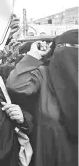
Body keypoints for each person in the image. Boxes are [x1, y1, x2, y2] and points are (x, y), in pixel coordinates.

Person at [6, 29, 78, 166]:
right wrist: (34, 56)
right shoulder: (44, 74)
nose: (69, 52)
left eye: (75, 47)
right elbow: (16, 84)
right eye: (62, 47)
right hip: (52, 153)